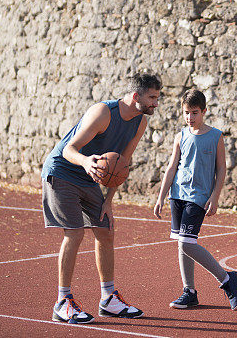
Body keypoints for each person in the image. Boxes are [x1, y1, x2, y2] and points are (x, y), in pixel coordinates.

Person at [41, 72, 162, 324]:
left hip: (90, 177)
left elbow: (122, 165)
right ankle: (62, 302)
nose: (156, 103)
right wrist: (86, 162)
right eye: (152, 97)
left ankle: (108, 299)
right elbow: (68, 149)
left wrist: (108, 201)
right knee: (74, 233)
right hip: (63, 172)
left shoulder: (140, 122)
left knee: (105, 231)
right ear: (135, 95)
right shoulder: (103, 113)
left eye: (157, 98)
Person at [154, 88, 237, 310]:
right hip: (178, 195)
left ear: (204, 111)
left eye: (194, 112)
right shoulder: (180, 136)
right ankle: (189, 292)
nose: (190, 118)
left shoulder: (216, 136)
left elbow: (221, 169)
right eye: (186, 113)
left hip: (199, 197)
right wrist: (161, 197)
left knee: (187, 242)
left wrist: (216, 196)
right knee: (181, 244)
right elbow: (172, 166)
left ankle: (226, 279)